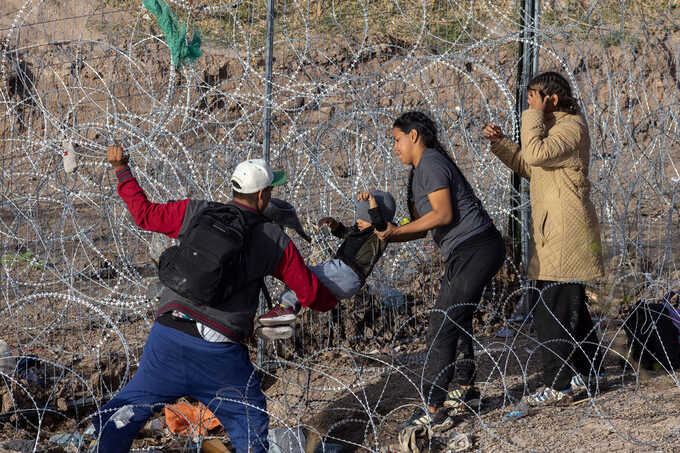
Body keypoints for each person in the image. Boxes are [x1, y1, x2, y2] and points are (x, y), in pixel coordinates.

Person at [92, 148, 338, 453]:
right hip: (218, 354)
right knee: (249, 420)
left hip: (168, 336)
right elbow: (312, 293)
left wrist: (121, 169)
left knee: (124, 413)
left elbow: (144, 214)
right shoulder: (273, 239)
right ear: (262, 196)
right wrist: (334, 294)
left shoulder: (198, 212)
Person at [376, 111, 505, 431]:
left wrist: (396, 232)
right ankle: (465, 389)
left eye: (396, 139)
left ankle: (434, 408)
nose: (394, 147)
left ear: (414, 136)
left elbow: (443, 214)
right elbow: (427, 224)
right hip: (471, 249)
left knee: (444, 321)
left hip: (475, 247)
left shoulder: (430, 163)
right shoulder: (424, 168)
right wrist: (393, 233)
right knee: (455, 316)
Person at [483, 71, 605, 406]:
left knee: (551, 312)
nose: (529, 102)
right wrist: (501, 143)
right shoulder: (552, 131)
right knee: (569, 307)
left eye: (534, 96)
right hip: (554, 231)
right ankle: (592, 371)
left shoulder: (571, 128)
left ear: (552, 97)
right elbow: (529, 164)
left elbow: (536, 154)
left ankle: (559, 383)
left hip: (567, 232)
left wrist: (534, 116)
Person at [256, 190, 396, 339]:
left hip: (347, 272)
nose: (359, 221)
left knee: (299, 276)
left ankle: (284, 310)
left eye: (364, 218)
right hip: (343, 274)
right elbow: (345, 233)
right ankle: (283, 321)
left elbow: (379, 222)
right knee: (300, 279)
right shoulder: (360, 229)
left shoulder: (378, 234)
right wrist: (334, 224)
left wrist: (372, 200)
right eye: (359, 218)